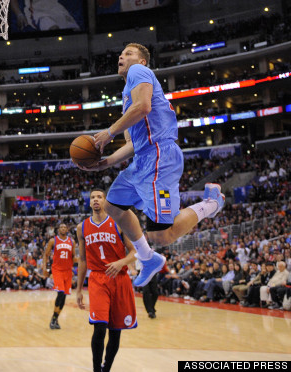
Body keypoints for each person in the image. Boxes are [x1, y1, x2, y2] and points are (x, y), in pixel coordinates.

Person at [80, 43, 225, 287]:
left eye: (128, 53)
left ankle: (213, 203)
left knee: (162, 235)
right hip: (142, 160)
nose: (121, 55)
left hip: (160, 158)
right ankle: (148, 258)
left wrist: (109, 132)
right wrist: (104, 163)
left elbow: (144, 107)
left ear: (142, 61)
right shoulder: (127, 97)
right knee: (113, 207)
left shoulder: (139, 72)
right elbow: (132, 144)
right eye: (121, 52)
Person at [76, 189, 137, 372]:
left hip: (119, 278)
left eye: (99, 197)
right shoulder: (82, 228)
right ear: (90, 202)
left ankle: (106, 368)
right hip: (97, 279)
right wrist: (79, 289)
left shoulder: (118, 223)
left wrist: (122, 262)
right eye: (93, 197)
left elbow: (135, 251)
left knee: (115, 330)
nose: (96, 199)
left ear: (105, 201)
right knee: (99, 327)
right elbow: (83, 260)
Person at [42, 223, 76, 329]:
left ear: (67, 230)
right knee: (60, 293)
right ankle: (54, 319)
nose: (63, 228)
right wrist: (44, 268)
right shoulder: (53, 240)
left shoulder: (72, 242)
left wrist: (81, 262)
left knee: (64, 297)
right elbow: (46, 255)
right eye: (61, 227)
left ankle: (55, 319)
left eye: (65, 227)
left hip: (67, 271)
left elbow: (73, 257)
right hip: (57, 270)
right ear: (58, 229)